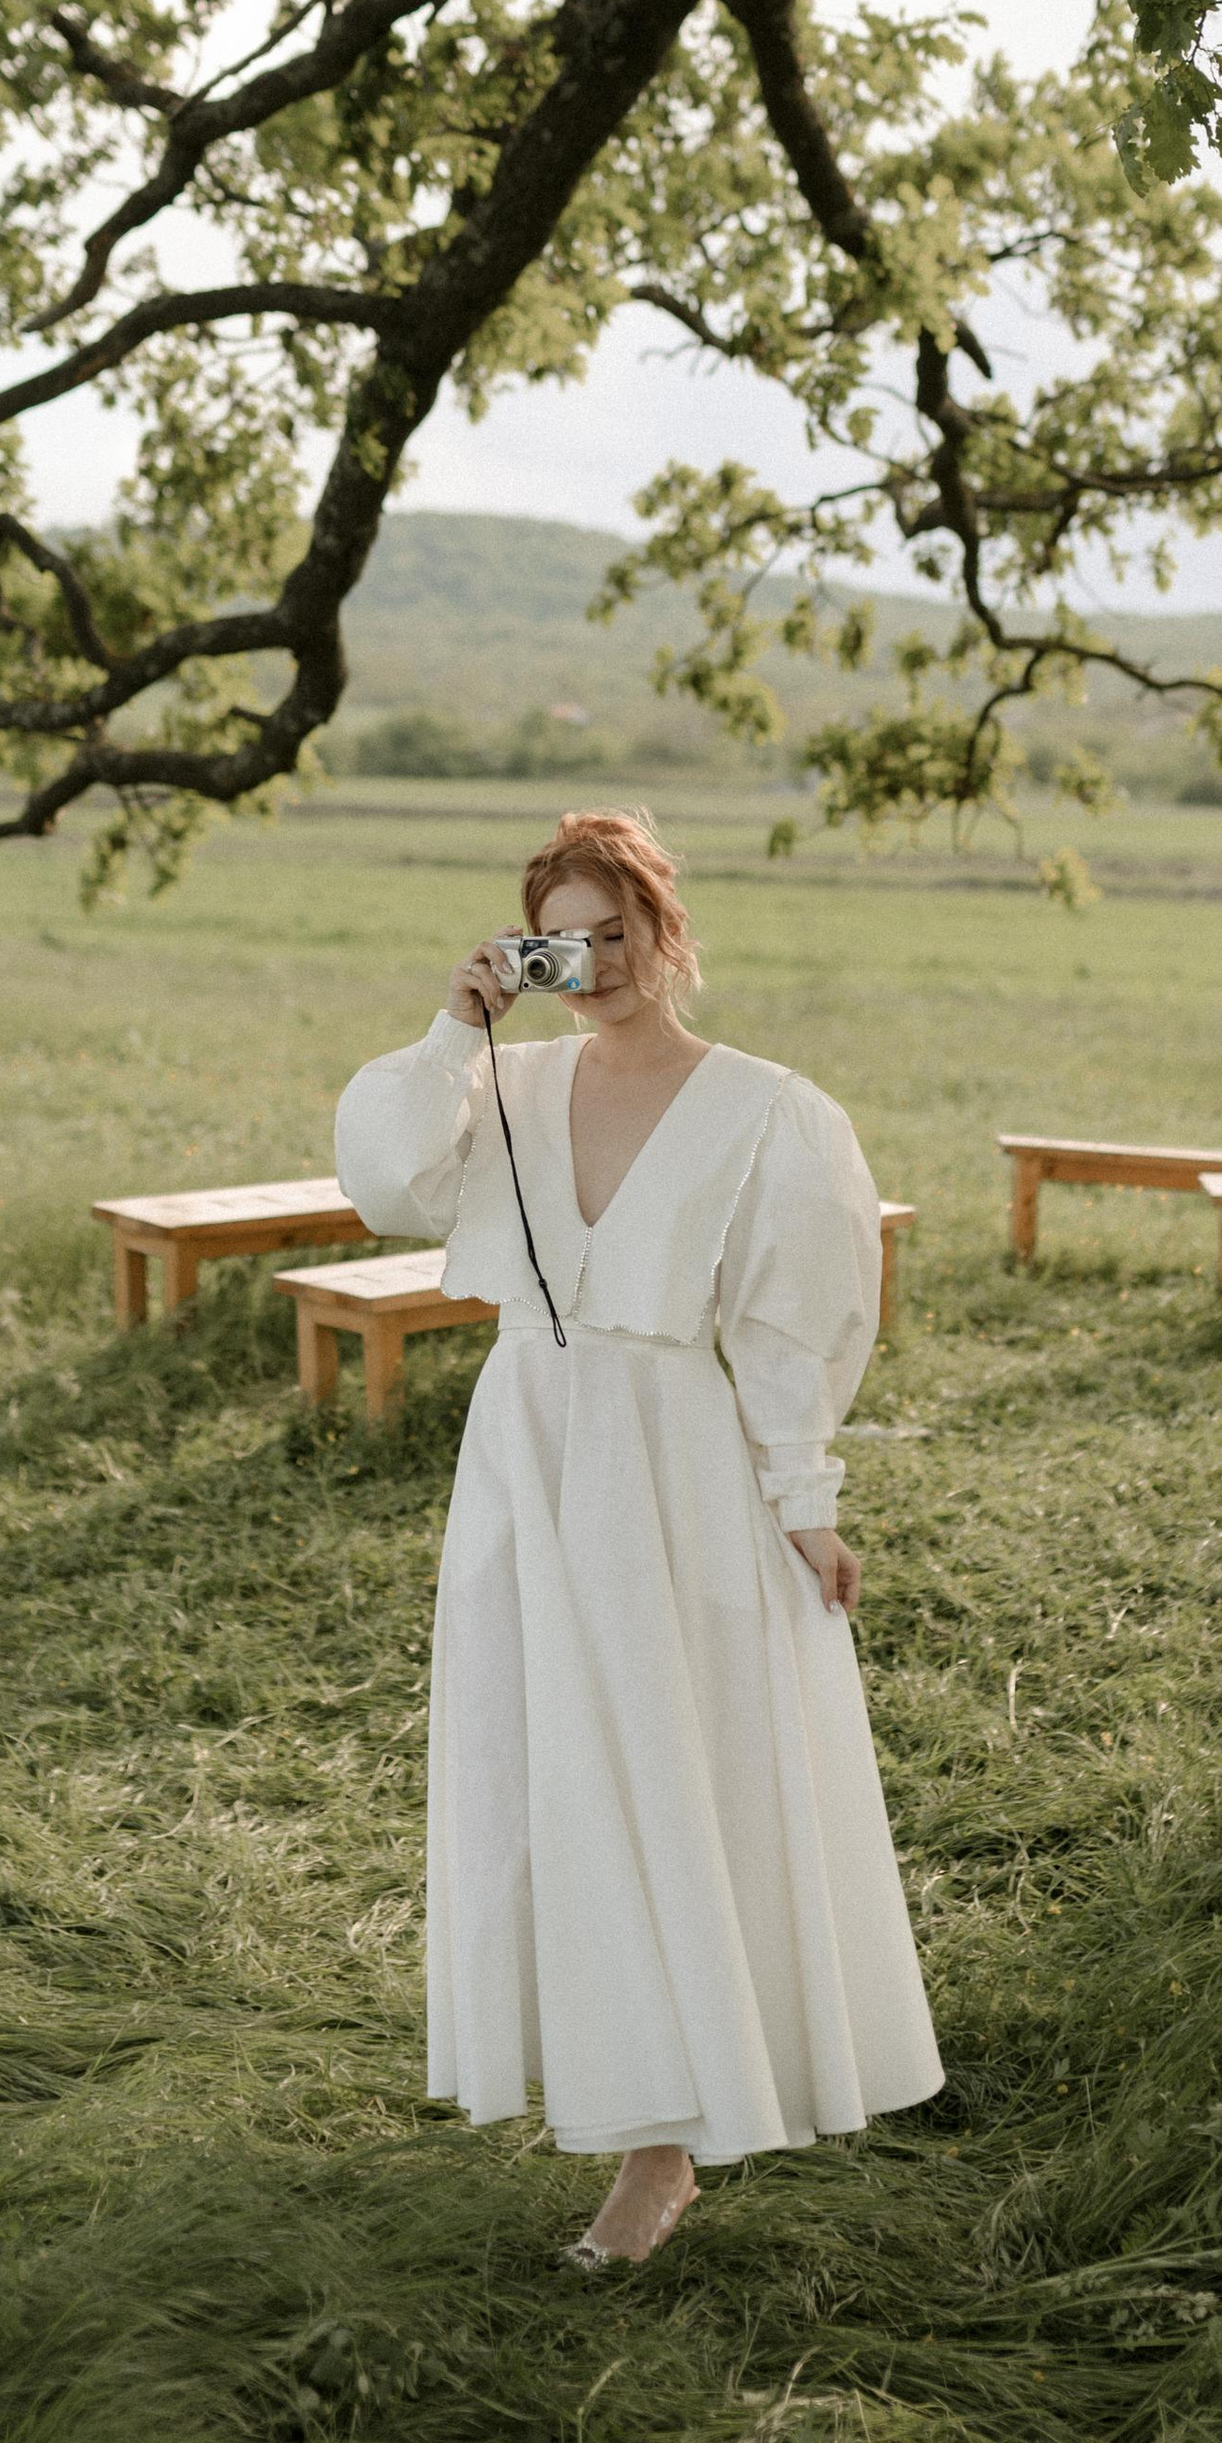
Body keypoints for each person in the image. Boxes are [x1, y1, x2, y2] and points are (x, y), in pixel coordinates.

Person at [334, 806, 943, 2270]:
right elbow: (386, 1189)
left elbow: (798, 1322)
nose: (595, 962)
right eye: (565, 935)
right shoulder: (504, 1082)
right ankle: (624, 2105)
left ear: (667, 931)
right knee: (547, 1766)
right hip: (528, 1448)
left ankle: (662, 2154)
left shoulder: (767, 1110)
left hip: (666, 1459)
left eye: (618, 932)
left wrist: (807, 1502)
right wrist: (449, 1026)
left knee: (664, 1761)